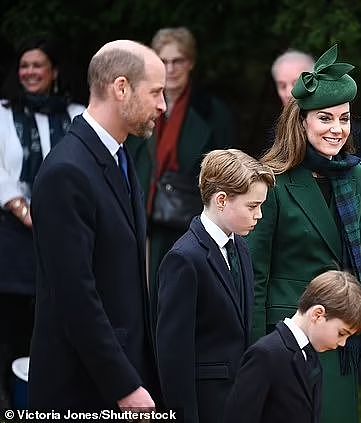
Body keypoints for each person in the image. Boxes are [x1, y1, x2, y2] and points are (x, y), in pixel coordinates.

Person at [247, 44, 361, 423]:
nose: (336, 129)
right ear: (301, 122)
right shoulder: (273, 178)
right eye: (325, 118)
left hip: (341, 331)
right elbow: (255, 273)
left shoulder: (355, 173)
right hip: (289, 336)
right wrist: (255, 348)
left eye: (344, 119)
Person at [28, 40, 166, 410]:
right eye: (155, 92)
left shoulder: (118, 157)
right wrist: (124, 385)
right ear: (121, 87)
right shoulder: (67, 172)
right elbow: (75, 297)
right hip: (80, 390)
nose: (162, 105)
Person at [155, 149, 275, 423]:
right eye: (252, 206)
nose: (259, 215)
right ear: (221, 200)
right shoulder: (183, 259)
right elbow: (174, 356)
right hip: (205, 405)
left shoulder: (241, 247)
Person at [0, 37, 84, 407]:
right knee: (14, 324)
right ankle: (13, 400)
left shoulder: (78, 114)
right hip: (13, 234)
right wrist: (25, 210)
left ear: (54, 71)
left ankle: (53, 397)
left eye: (38, 65)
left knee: (59, 316)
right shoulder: (2, 113)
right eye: (24, 65)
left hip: (66, 232)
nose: (30, 72)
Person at [127, 27, 235, 303]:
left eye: (178, 61)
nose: (171, 68)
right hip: (145, 214)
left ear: (191, 63)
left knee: (183, 295)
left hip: (191, 216)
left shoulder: (212, 111)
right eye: (164, 61)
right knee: (144, 294)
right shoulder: (139, 105)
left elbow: (225, 171)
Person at [270, 49, 361, 254]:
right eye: (282, 85)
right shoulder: (276, 158)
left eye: (296, 83)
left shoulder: (352, 145)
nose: (290, 92)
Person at [223, 270, 361, 423]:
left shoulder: (311, 357)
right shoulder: (265, 354)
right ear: (318, 314)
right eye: (342, 333)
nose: (342, 343)